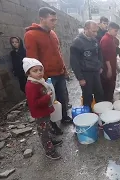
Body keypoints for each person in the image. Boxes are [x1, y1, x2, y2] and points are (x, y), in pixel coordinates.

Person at [24, 7, 72, 136]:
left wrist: (64, 70)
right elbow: (32, 60)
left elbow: (59, 54)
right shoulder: (31, 35)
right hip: (47, 76)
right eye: (52, 20)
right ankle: (53, 125)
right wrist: (40, 79)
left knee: (63, 98)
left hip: (59, 73)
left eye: (55, 20)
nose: (54, 23)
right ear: (42, 19)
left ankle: (64, 117)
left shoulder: (53, 33)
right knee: (50, 101)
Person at [23, 57, 62, 160]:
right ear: (28, 73)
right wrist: (47, 97)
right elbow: (34, 103)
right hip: (40, 114)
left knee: (47, 128)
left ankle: (50, 142)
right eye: (35, 71)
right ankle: (49, 151)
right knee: (43, 133)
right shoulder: (31, 86)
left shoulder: (39, 81)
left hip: (45, 111)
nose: (39, 73)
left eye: (40, 70)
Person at [70, 20, 104, 109]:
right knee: (87, 95)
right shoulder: (77, 43)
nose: (96, 34)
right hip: (85, 74)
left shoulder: (95, 41)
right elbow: (74, 62)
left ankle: (100, 113)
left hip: (95, 72)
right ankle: (87, 115)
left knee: (99, 93)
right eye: (93, 31)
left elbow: (99, 54)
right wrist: (80, 78)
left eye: (97, 31)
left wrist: (100, 66)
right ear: (86, 29)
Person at [100, 22, 120, 102]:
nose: (116, 33)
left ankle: (110, 100)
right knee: (108, 86)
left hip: (112, 65)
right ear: (110, 29)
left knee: (112, 85)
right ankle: (107, 103)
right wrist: (109, 68)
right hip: (108, 67)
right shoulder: (105, 39)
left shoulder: (111, 39)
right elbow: (105, 55)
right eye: (115, 31)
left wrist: (116, 66)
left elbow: (113, 54)